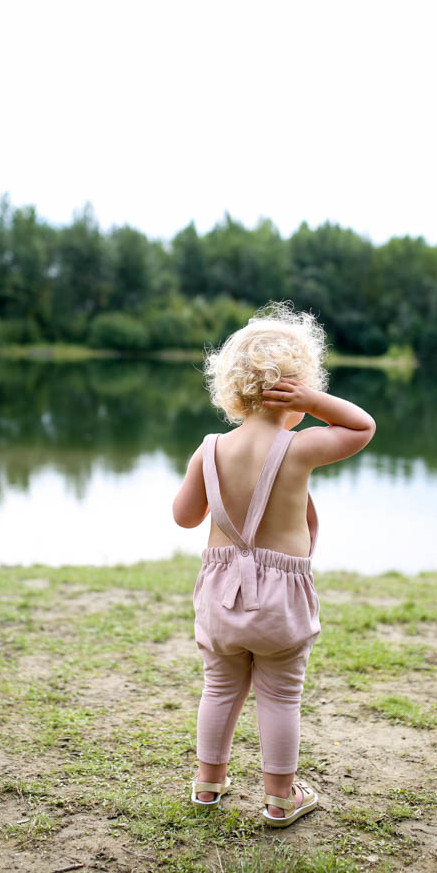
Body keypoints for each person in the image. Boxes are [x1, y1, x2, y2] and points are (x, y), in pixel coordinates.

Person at [172, 302, 376, 827]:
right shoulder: (301, 448)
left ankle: (207, 784)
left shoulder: (210, 449)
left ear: (233, 389)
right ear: (297, 389)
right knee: (281, 696)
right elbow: (361, 427)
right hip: (279, 599)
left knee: (219, 687)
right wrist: (317, 401)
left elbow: (183, 515)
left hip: (219, 595)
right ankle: (281, 798)